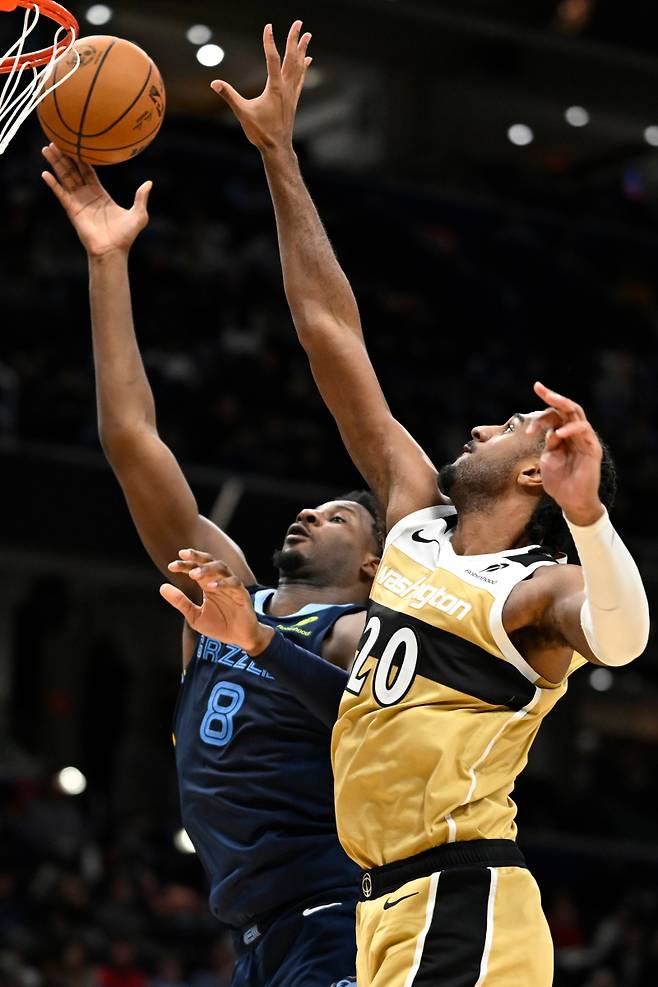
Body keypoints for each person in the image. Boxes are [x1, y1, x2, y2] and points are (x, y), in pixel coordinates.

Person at [162, 20, 651, 986]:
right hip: (385, 905)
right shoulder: (416, 520)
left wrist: (590, 516)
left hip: (463, 901)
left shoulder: (531, 590)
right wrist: (279, 155)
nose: (482, 425)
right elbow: (328, 328)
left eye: (512, 425)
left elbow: (626, 640)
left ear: (536, 476)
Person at [40, 142, 383, 987]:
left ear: (374, 565)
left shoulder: (358, 631)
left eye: (338, 515)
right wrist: (108, 264)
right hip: (255, 933)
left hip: (338, 915)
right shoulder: (224, 592)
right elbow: (132, 441)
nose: (309, 511)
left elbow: (395, 726)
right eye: (313, 506)